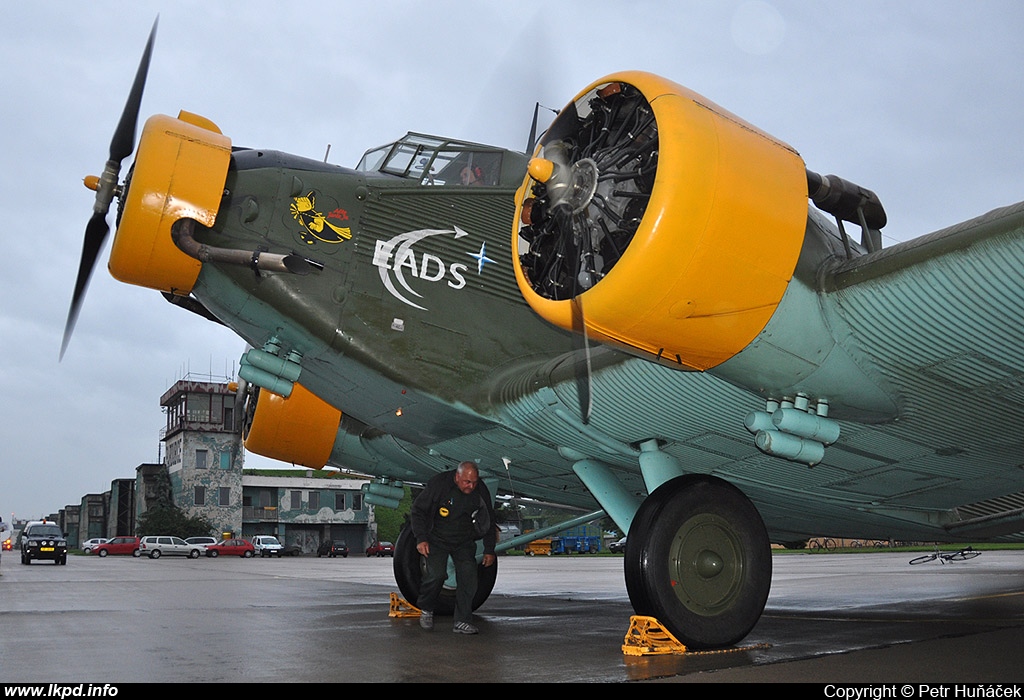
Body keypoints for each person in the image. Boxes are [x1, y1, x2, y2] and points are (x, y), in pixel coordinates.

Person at [409, 461, 497, 634]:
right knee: (436, 575)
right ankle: (426, 609)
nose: (471, 486)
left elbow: (488, 519)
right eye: (467, 482)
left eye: (474, 482)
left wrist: (489, 549)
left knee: (469, 577)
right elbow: (418, 510)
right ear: (457, 477)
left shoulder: (480, 490)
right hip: (437, 539)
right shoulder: (440, 484)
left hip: (463, 541)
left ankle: (462, 621)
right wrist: (421, 538)